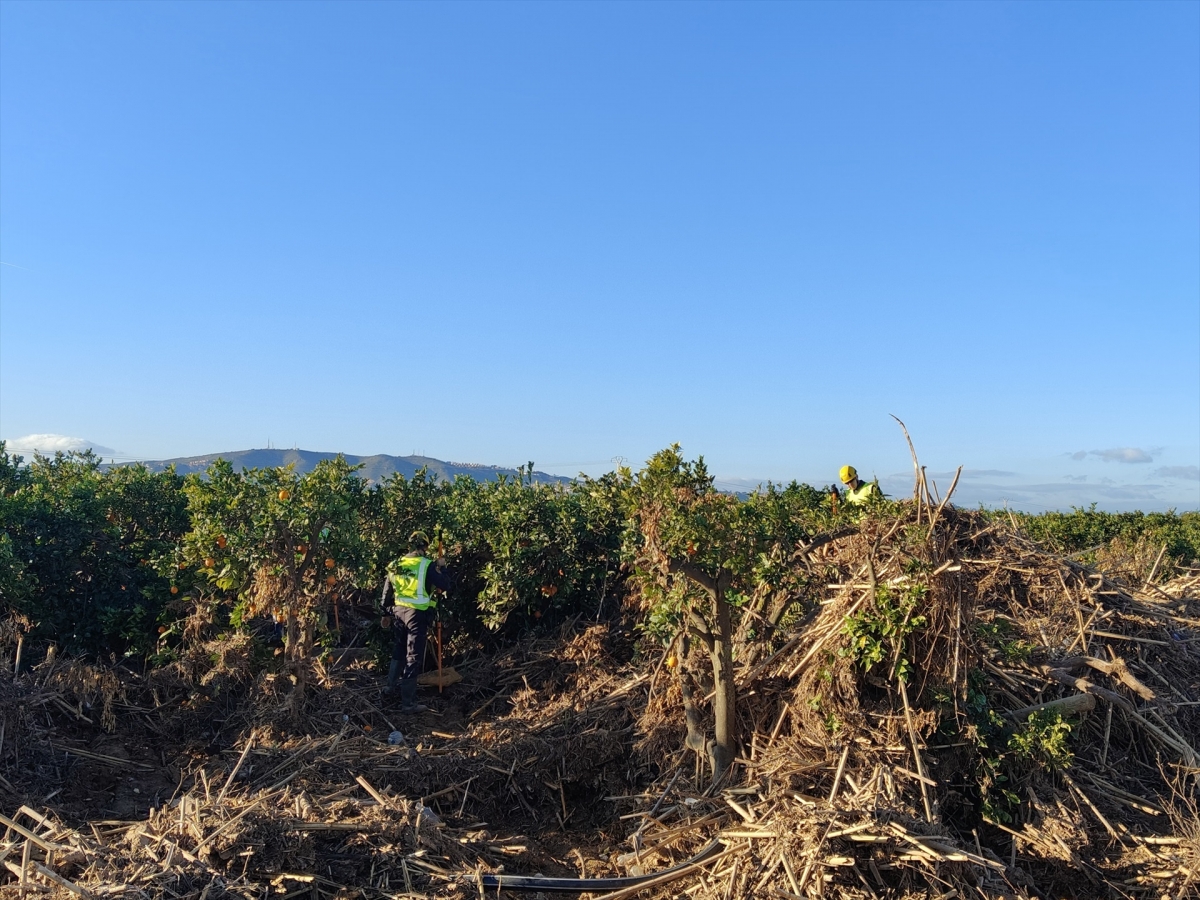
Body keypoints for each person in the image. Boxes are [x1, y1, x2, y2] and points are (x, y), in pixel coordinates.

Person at [380, 531, 451, 713]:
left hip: (399, 613)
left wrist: (386, 613)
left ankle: (389, 687)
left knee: (399, 649)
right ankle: (408, 703)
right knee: (413, 656)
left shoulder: (395, 564)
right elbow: (445, 585)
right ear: (424, 547)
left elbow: (386, 594)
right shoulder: (426, 565)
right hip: (416, 615)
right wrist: (442, 567)